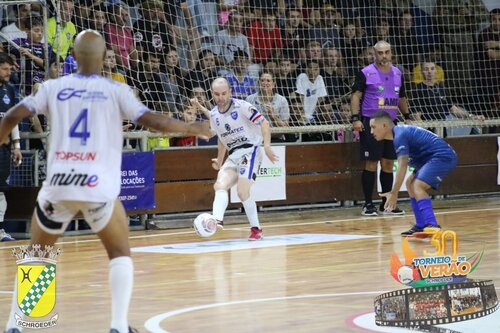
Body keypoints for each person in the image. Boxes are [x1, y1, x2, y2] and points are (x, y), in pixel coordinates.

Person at [0, 30, 212, 333]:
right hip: (96, 187)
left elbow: (11, 115)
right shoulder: (116, 90)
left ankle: (15, 326)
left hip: (58, 186)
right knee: (119, 254)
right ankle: (118, 326)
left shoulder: (53, 87)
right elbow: (153, 121)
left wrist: (3, 136)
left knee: (38, 256)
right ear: (103, 58)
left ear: (73, 57)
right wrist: (191, 126)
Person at [207, 77, 278, 240]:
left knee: (242, 191)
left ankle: (256, 229)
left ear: (230, 92)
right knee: (219, 185)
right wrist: (219, 160)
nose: (221, 97)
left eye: (224, 93)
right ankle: (216, 220)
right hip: (234, 154)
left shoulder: (243, 106)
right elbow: (222, 139)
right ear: (212, 94)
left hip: (250, 150)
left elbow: (264, 123)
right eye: (217, 94)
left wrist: (266, 146)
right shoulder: (213, 114)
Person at [369, 111, 457, 237]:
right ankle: (420, 225)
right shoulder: (397, 135)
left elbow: (402, 165)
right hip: (428, 157)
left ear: (384, 126)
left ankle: (433, 225)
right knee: (410, 183)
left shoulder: (400, 136)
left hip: (442, 156)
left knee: (418, 185)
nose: (371, 132)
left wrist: (394, 193)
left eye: (373, 127)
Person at [351, 40, 411, 216]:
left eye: (387, 52)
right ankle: (367, 204)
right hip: (372, 123)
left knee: (388, 163)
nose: (383, 56)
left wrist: (407, 116)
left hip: (391, 124)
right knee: (371, 163)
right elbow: (356, 96)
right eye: (380, 53)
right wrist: (355, 118)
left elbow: (401, 97)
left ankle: (386, 204)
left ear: (391, 53)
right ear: (374, 54)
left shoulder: (398, 73)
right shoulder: (365, 73)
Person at [0, 53, 22, 242]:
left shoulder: (9, 89)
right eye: (5, 69)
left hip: (4, 148)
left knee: (0, 189)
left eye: (9, 69)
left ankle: (0, 231)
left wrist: (16, 145)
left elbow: (13, 119)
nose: (9, 72)